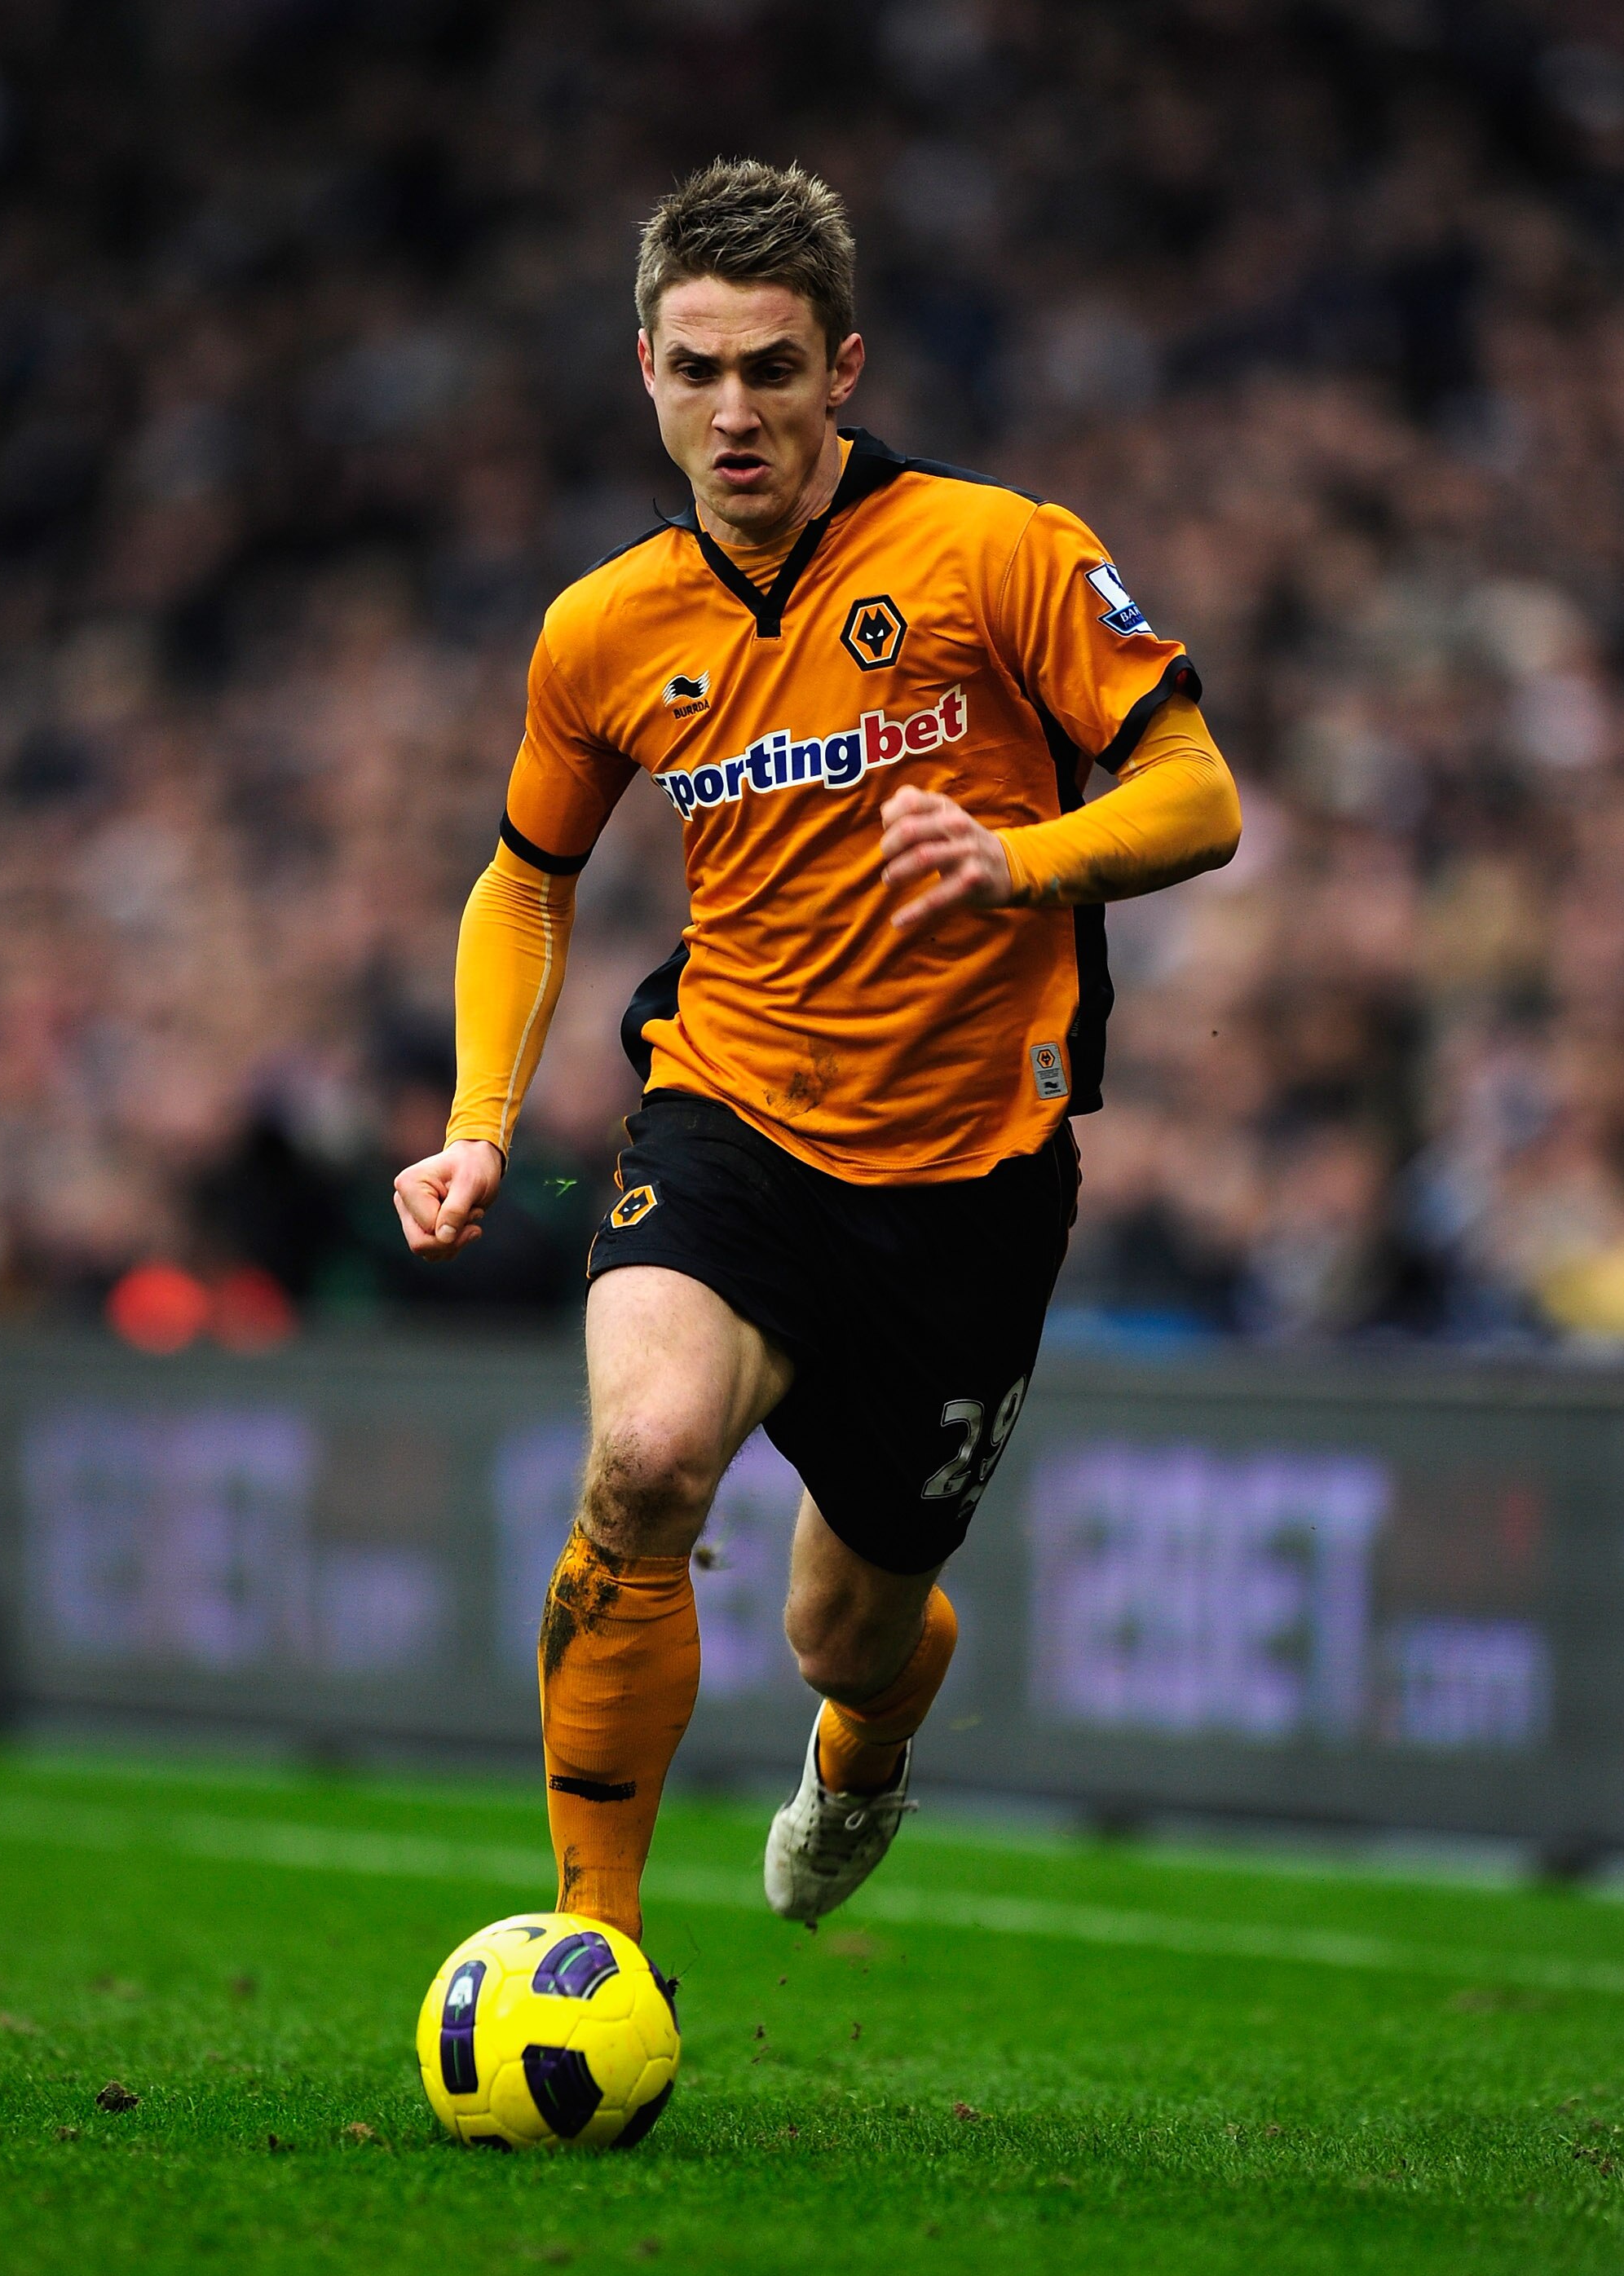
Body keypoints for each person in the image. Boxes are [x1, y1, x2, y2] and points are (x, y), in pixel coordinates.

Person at [394, 159, 1241, 1939]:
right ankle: (590, 1947)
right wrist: (479, 1122)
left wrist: (1020, 861)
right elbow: (524, 883)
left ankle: (862, 1745)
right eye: (694, 369)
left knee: (841, 1629)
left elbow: (1197, 795)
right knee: (642, 1462)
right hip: (729, 1124)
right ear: (642, 369)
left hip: (965, 1187)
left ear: (841, 369)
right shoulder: (603, 628)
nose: (733, 413)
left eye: (770, 369)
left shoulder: (1002, 548)